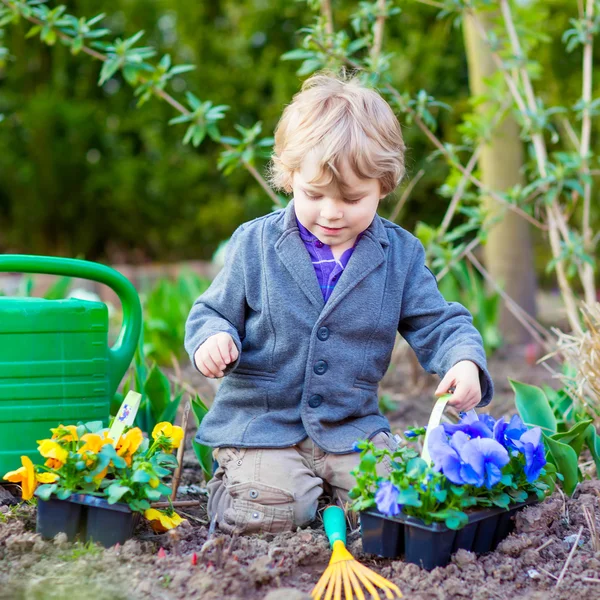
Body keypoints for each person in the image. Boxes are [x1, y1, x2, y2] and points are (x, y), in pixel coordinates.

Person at [185, 73, 493, 535]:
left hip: (349, 428)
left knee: (402, 500)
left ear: (383, 187)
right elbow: (212, 312)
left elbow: (439, 322)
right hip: (263, 423)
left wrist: (464, 359)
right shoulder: (256, 244)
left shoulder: (398, 256)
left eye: (352, 198)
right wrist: (214, 338)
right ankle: (243, 484)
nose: (331, 212)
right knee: (274, 511)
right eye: (314, 195)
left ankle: (330, 490)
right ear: (290, 178)